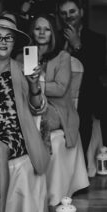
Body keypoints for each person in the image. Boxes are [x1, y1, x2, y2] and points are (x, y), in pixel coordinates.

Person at [0, 16, 50, 212]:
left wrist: (33, 85)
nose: (4, 42)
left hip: (15, 134)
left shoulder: (23, 70)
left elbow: (38, 109)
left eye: (9, 38)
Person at [58, 0, 107, 156]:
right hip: (59, 94)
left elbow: (97, 70)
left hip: (87, 93)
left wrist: (77, 45)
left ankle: (82, 164)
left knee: (84, 116)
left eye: (72, 11)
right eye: (64, 13)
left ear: (81, 12)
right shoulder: (55, 38)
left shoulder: (97, 39)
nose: (68, 16)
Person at [31, 13, 79, 149]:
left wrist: (34, 84)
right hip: (28, 105)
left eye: (46, 29)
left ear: (52, 33)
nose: (41, 33)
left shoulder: (62, 57)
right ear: (32, 32)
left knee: (40, 120)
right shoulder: (21, 56)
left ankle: (42, 161)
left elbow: (60, 88)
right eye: (37, 29)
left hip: (56, 110)